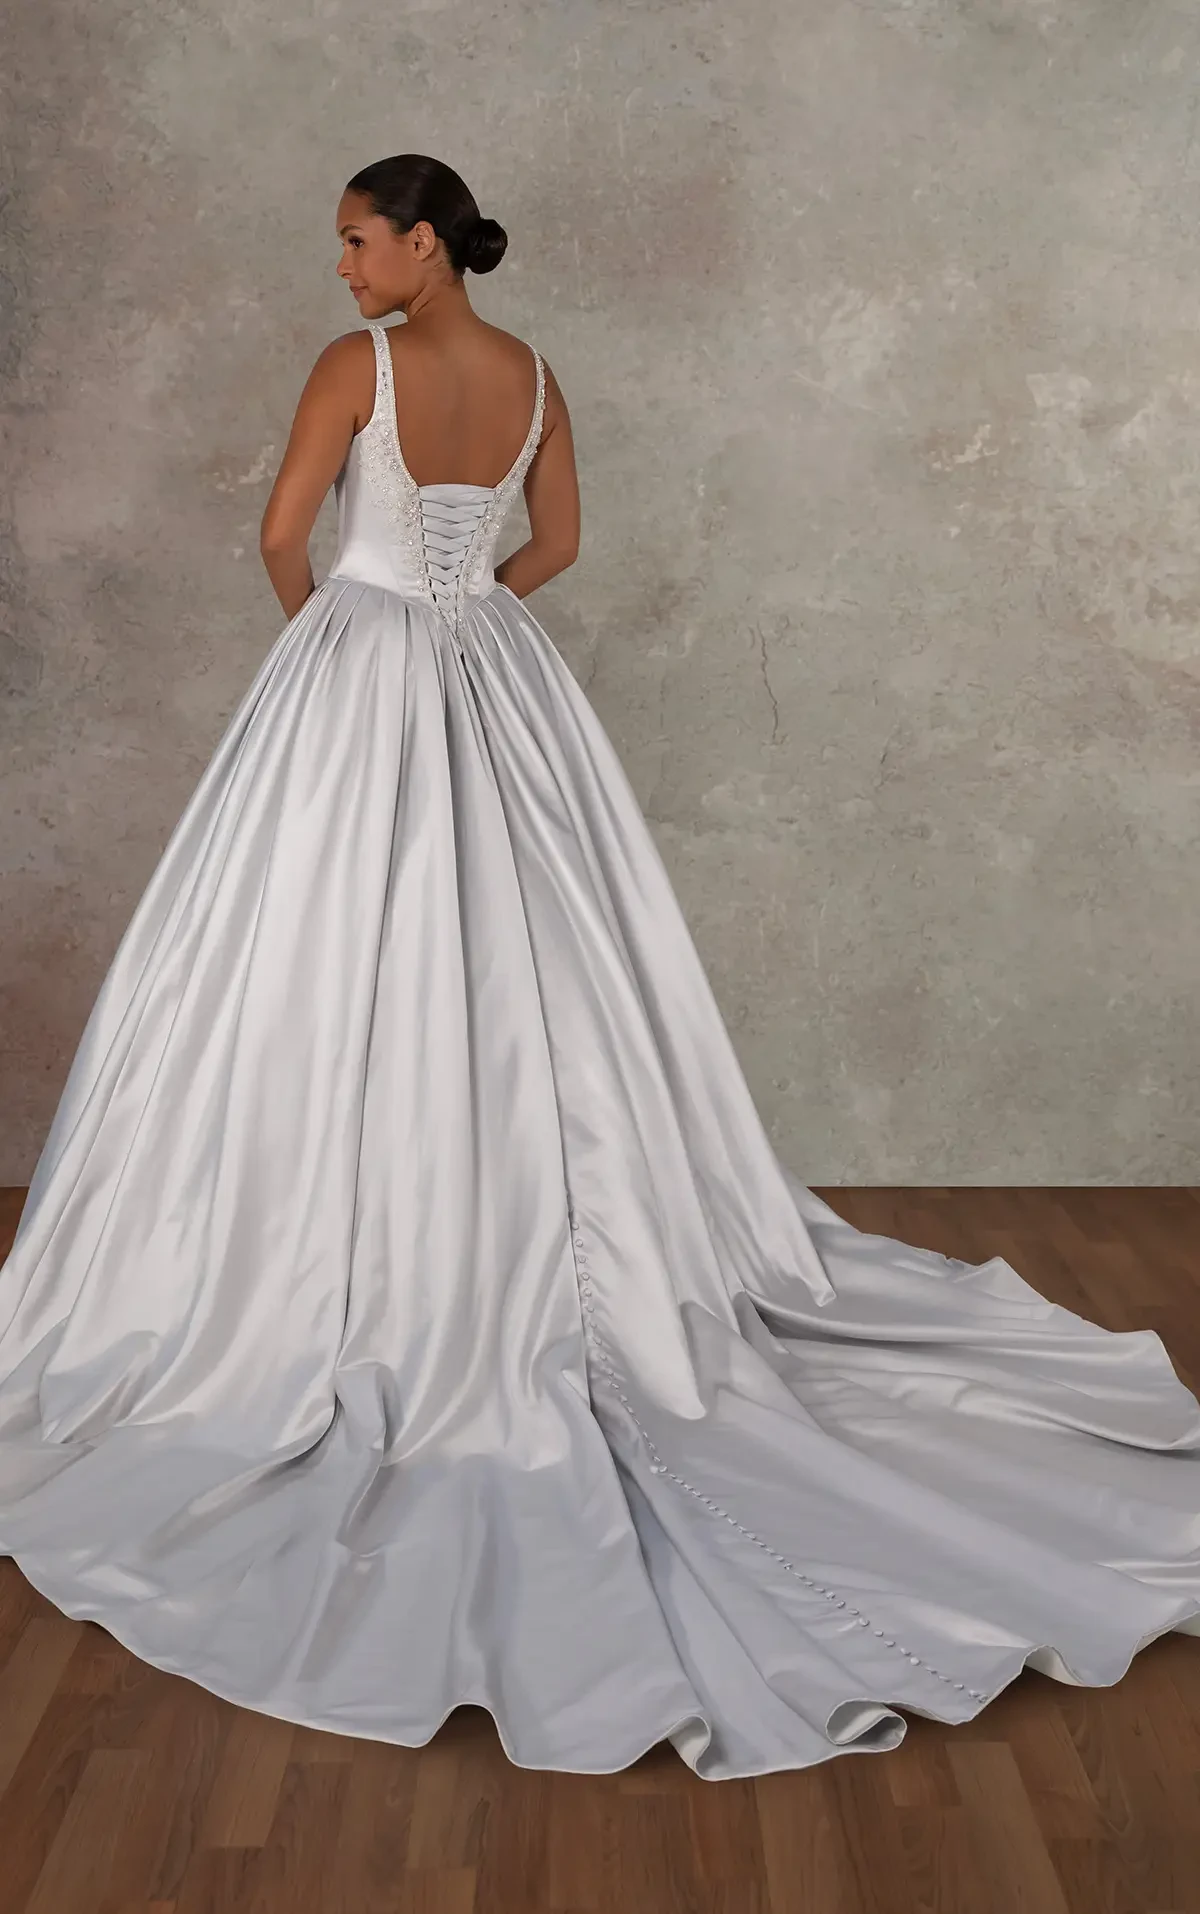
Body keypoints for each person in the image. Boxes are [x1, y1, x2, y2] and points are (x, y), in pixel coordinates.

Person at [0, 153, 1196, 1783]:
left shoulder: (357, 369)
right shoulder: (538, 377)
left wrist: (334, 642)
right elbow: (553, 547)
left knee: (313, 974)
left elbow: (285, 531)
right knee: (543, 969)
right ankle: (543, 1244)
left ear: (424, 242)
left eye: (357, 242)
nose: (341, 271)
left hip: (355, 676)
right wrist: (464, 603)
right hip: (503, 678)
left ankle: (337, 1261)